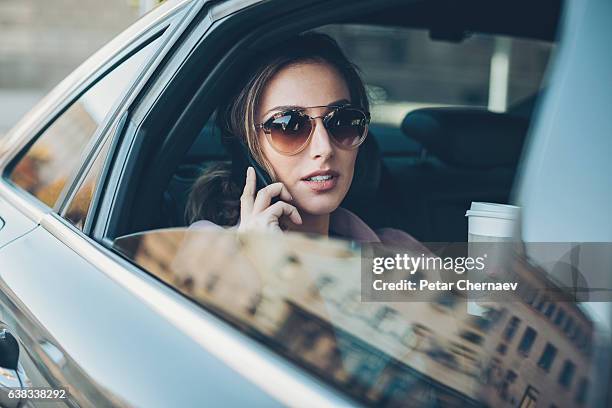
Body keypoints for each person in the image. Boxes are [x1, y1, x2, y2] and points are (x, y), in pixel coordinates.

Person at [185, 32, 418, 247]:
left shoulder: (400, 249)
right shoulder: (209, 247)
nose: (324, 148)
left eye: (342, 122)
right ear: (246, 148)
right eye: (289, 126)